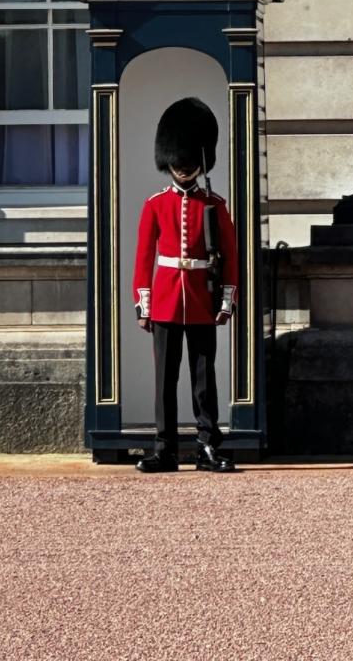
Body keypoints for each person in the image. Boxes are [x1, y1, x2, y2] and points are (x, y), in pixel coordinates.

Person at [132, 97, 238, 473]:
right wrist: (143, 302)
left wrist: (226, 300)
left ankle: (208, 445)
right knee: (165, 380)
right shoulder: (155, 205)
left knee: (203, 378)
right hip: (164, 300)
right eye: (177, 159)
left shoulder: (215, 205)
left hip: (201, 300)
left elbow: (230, 257)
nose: (182, 166)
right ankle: (166, 449)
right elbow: (145, 258)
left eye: (190, 159)